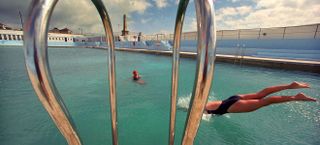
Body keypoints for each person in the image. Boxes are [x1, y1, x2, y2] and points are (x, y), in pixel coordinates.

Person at [205, 81, 317, 115]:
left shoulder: (199, 111)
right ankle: (290, 85)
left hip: (230, 106)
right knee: (261, 94)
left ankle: (295, 97)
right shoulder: (202, 103)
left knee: (265, 101)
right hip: (231, 99)